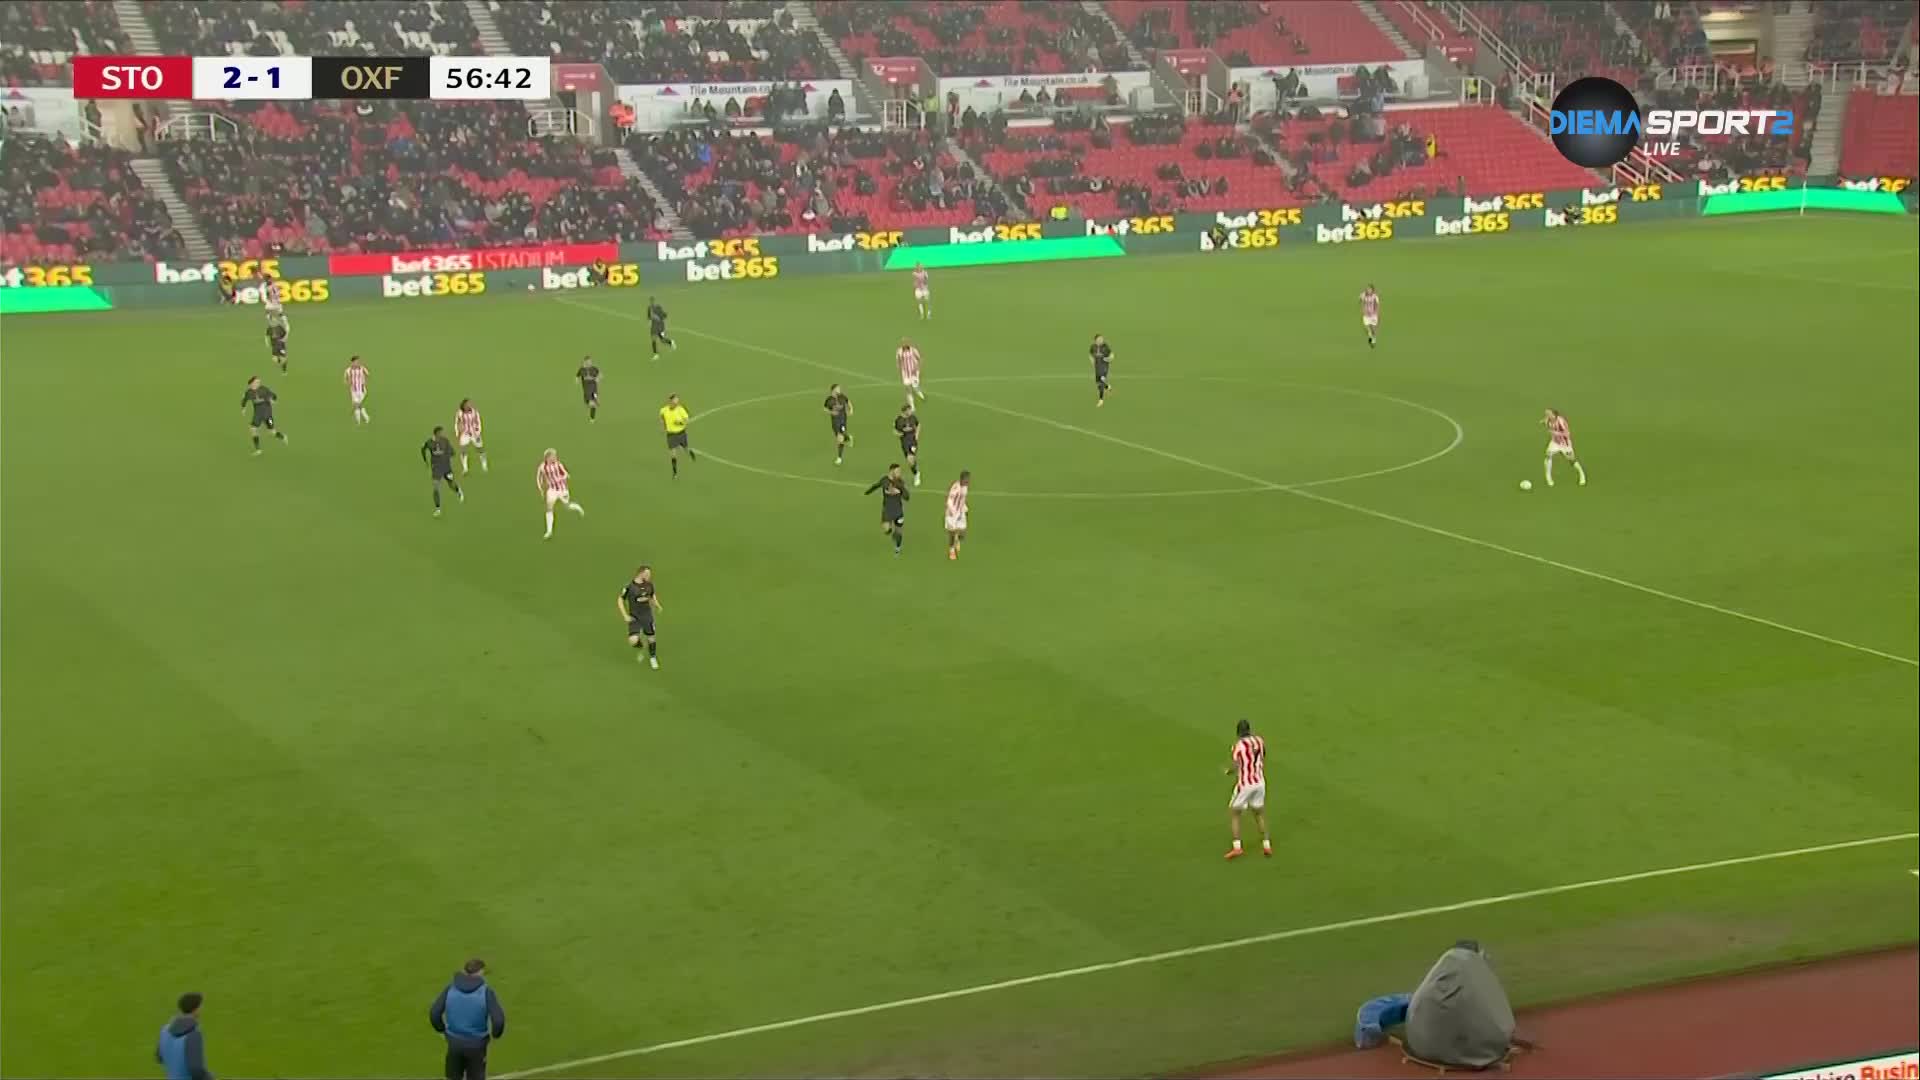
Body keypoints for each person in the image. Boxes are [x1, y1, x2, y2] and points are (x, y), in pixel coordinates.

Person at [428, 958, 506, 1080]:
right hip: (477, 1045)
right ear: (479, 972)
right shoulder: (486, 992)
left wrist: (442, 1030)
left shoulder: (450, 988)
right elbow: (498, 1020)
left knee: (453, 1077)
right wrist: (495, 1035)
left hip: (454, 1043)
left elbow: (434, 1013)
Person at [1223, 718, 1273, 860]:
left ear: (1238, 732)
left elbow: (1236, 764)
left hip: (1246, 784)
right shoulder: (1259, 741)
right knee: (1259, 814)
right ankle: (1266, 845)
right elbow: (1263, 756)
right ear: (1249, 730)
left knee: (1235, 813)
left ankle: (1237, 847)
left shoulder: (1238, 746)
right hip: (1260, 782)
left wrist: (1228, 771)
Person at [156, 991, 214, 1080]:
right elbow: (196, 1069)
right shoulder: (193, 1035)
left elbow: (159, 1057)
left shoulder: (165, 1030)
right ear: (195, 1009)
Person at [617, 564, 662, 669]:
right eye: (647, 574)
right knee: (633, 641)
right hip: (634, 617)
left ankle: (653, 657)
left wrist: (657, 604)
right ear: (641, 573)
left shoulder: (649, 585)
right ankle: (641, 646)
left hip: (647, 615)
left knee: (651, 637)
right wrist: (625, 615)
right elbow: (620, 600)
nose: (649, 576)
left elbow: (652, 595)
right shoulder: (629, 587)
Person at [536, 448, 585, 539]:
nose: (555, 457)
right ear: (548, 457)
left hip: (562, 490)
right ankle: (549, 531)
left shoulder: (559, 465)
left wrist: (560, 479)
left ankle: (577, 507)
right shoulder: (542, 467)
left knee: (567, 506)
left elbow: (566, 475)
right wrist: (540, 488)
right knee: (549, 507)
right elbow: (539, 477)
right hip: (552, 490)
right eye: (553, 456)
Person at [864, 463, 910, 555]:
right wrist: (867, 492)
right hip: (887, 510)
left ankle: (897, 547)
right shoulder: (884, 480)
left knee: (898, 532)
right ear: (891, 471)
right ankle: (891, 532)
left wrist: (900, 491)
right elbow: (876, 486)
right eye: (897, 471)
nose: (899, 473)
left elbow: (907, 497)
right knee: (886, 529)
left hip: (898, 511)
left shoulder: (900, 482)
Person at [240, 376, 288, 455]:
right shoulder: (248, 392)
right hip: (258, 415)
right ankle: (258, 449)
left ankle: (283, 437)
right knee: (253, 429)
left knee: (272, 432)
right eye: (257, 382)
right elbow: (244, 400)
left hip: (268, 415)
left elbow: (274, 395)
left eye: (259, 382)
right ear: (251, 383)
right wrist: (243, 408)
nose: (258, 383)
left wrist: (273, 400)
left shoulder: (264, 389)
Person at [422, 426, 462, 517]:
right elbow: (423, 449)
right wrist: (425, 461)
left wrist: (447, 455)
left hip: (446, 467)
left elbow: (452, 452)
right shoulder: (429, 442)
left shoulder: (445, 441)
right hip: (436, 468)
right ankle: (438, 509)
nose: (442, 434)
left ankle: (458, 491)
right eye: (441, 433)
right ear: (436, 433)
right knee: (436, 487)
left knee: (451, 484)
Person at [1542, 408, 1587, 487]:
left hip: (1565, 444)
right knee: (1548, 454)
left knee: (1571, 460)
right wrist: (1543, 422)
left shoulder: (1561, 421)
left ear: (1554, 415)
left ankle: (1581, 474)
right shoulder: (1548, 419)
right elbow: (1546, 421)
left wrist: (1555, 433)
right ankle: (1548, 476)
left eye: (1548, 413)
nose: (1547, 414)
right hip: (1555, 442)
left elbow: (1567, 433)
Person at [660, 393, 694, 478]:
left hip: (681, 433)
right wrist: (664, 426)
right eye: (675, 400)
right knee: (673, 454)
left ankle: (690, 453)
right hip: (671, 435)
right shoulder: (663, 410)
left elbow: (687, 420)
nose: (677, 402)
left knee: (685, 449)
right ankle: (675, 473)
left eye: (677, 400)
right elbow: (662, 417)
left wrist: (680, 423)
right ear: (670, 401)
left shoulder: (680, 410)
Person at [455, 399, 487, 474]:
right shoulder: (459, 413)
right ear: (463, 405)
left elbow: (478, 422)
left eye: (469, 404)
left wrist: (478, 433)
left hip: (474, 434)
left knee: (480, 449)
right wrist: (457, 433)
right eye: (467, 404)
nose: (469, 405)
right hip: (465, 434)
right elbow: (456, 423)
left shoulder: (475, 412)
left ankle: (484, 465)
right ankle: (465, 468)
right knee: (463, 450)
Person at [824, 383, 853, 465]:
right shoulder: (829, 400)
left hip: (842, 421)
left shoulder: (842, 396)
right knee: (841, 436)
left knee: (840, 439)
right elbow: (825, 408)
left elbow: (848, 401)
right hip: (835, 422)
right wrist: (831, 412)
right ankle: (848, 438)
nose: (839, 390)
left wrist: (851, 409)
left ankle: (839, 458)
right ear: (833, 390)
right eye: (838, 388)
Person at [944, 469, 970, 560]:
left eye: (968, 480)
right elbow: (949, 501)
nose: (968, 482)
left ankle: (957, 539)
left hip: (960, 512)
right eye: (966, 480)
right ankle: (951, 550)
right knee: (951, 533)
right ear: (962, 479)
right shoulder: (955, 489)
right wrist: (954, 513)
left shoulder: (965, 487)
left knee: (962, 533)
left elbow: (962, 498)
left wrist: (964, 507)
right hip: (951, 514)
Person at [894, 403, 921, 487]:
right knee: (910, 462)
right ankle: (916, 471)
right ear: (905, 411)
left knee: (910, 459)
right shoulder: (898, 420)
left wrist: (917, 435)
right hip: (904, 443)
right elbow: (895, 430)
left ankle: (917, 475)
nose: (910, 412)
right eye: (909, 410)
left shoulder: (913, 418)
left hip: (913, 441)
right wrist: (898, 434)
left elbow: (918, 425)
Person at [896, 337, 925, 406]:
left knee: (915, 387)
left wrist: (917, 368)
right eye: (903, 342)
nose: (904, 343)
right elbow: (898, 360)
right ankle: (912, 406)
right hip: (905, 373)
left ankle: (919, 392)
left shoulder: (913, 350)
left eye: (906, 342)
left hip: (914, 372)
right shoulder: (899, 351)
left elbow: (920, 359)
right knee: (908, 389)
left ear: (908, 343)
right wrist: (899, 368)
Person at [343, 355, 370, 425]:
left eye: (358, 361)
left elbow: (367, 374)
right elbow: (345, 379)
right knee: (357, 405)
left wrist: (365, 382)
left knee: (357, 405)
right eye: (356, 362)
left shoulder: (362, 368)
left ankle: (365, 418)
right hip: (353, 391)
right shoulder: (348, 370)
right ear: (352, 362)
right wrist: (348, 383)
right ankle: (360, 420)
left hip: (362, 390)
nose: (357, 363)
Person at [1089, 334, 1113, 407]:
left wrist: (1109, 358)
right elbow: (1090, 354)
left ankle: (1101, 400)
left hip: (1104, 368)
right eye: (1099, 339)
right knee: (1098, 382)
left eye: (1101, 339)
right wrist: (1092, 360)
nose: (1101, 340)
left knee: (1101, 382)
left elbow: (1111, 354)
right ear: (1095, 340)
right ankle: (1108, 387)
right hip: (1097, 368)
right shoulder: (1093, 347)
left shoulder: (1105, 347)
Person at [576, 355, 600, 422]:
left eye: (590, 361)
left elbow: (600, 374)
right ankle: (590, 404)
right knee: (592, 404)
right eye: (587, 362)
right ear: (585, 362)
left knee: (594, 405)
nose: (589, 363)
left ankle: (592, 419)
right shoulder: (582, 370)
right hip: (587, 391)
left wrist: (598, 378)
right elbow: (578, 376)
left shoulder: (594, 369)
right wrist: (577, 380)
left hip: (594, 390)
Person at [1360, 284, 1381, 349]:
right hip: (1366, 314)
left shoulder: (1375, 296)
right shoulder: (1364, 295)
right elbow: (1361, 302)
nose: (1368, 290)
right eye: (1367, 289)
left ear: (1372, 290)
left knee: (1373, 329)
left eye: (1370, 289)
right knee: (1366, 327)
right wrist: (1363, 311)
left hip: (1373, 315)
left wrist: (1376, 313)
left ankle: (1373, 339)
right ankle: (1370, 336)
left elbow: (1377, 305)